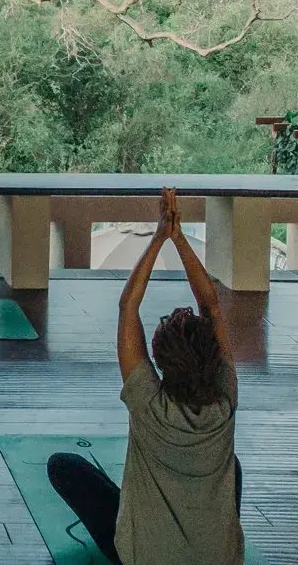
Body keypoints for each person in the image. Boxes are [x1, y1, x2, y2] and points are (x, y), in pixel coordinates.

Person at [47, 188, 244, 565]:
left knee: (63, 466)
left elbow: (128, 306)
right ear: (214, 359)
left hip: (141, 558)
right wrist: (180, 238)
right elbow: (212, 307)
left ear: (161, 361)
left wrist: (160, 236)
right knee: (230, 467)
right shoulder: (226, 400)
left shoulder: (149, 404)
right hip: (219, 558)